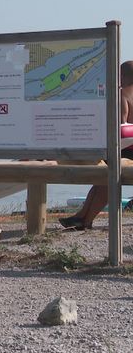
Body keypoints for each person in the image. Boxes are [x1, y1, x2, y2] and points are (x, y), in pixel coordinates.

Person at [60, 61, 133, 230]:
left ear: (121, 76)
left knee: (107, 177)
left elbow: (120, 130)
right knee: (102, 178)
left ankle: (85, 220)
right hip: (127, 153)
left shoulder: (122, 95)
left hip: (125, 153)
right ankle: (82, 216)